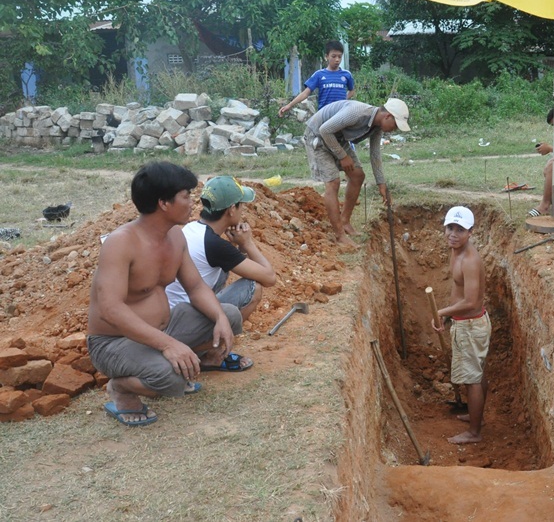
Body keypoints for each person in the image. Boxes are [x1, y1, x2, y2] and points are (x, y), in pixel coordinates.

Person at [87, 161, 242, 427]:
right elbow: (111, 309)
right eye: (186, 196)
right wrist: (168, 345)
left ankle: (187, 361)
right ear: (164, 203)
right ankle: (121, 388)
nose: (193, 202)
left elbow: (195, 287)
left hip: (163, 329)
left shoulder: (175, 237)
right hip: (114, 343)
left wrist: (219, 318)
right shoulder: (121, 242)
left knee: (229, 315)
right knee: (171, 379)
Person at [165, 175, 276, 372]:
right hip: (181, 326)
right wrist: (247, 243)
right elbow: (269, 278)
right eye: (241, 205)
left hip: (172, 318)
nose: (242, 210)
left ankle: (201, 349)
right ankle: (210, 354)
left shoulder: (192, 228)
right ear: (231, 209)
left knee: (222, 274)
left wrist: (236, 246)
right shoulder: (214, 245)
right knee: (253, 287)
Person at [303, 97, 411, 248]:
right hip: (317, 136)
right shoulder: (356, 113)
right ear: (388, 116)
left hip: (337, 138)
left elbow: (375, 154)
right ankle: (340, 235)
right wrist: (342, 156)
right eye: (396, 125)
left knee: (358, 176)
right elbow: (324, 130)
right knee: (333, 182)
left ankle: (345, 221)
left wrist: (381, 184)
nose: (395, 130)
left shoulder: (377, 127)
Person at [431, 206, 491, 444]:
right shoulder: (456, 251)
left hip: (471, 326)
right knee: (477, 372)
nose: (453, 234)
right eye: (450, 228)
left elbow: (472, 301)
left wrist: (441, 312)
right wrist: (447, 317)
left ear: (470, 232)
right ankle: (477, 417)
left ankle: (474, 432)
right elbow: (459, 293)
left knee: (472, 378)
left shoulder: (470, 260)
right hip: (467, 323)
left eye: (460, 230)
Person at [278, 40, 355, 117]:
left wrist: (343, 99)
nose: (337, 59)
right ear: (326, 56)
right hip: (324, 115)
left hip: (341, 114)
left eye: (339, 56)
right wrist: (289, 105)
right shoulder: (319, 75)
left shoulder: (346, 74)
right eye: (334, 56)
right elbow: (305, 93)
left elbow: (351, 91)